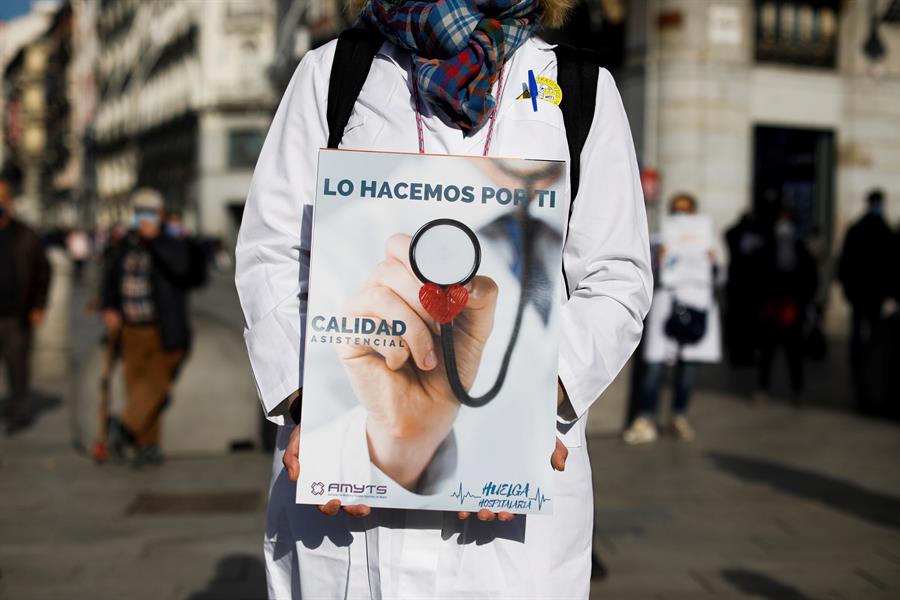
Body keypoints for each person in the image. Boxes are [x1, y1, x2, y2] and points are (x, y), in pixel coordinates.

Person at [235, 0, 653, 597]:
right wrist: (318, 410)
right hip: (346, 488)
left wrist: (519, 412)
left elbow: (617, 275)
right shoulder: (336, 74)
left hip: (515, 502)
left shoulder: (582, 90)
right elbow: (273, 251)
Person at [100, 188, 192, 466]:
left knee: (156, 385)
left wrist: (155, 242)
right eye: (139, 211)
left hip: (162, 327)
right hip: (130, 327)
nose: (144, 218)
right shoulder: (125, 245)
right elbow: (110, 278)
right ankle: (146, 445)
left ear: (161, 215)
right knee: (136, 384)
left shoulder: (171, 242)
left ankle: (125, 426)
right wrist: (110, 307)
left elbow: (182, 269)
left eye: (149, 211)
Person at [623, 193, 722, 445]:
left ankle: (679, 416)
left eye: (686, 210)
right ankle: (645, 417)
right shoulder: (658, 241)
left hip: (696, 304)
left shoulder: (709, 243)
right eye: (677, 210)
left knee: (688, 368)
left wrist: (712, 262)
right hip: (667, 305)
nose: (682, 215)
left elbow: (721, 278)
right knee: (655, 366)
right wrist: (659, 259)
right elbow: (644, 274)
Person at [0, 169, 51, 432]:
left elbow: (43, 271)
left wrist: (39, 306)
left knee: (17, 364)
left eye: (3, 198)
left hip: (16, 313)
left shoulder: (25, 235)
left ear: (10, 202)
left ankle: (18, 412)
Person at [754, 210, 818, 405]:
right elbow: (756, 277)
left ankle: (797, 389)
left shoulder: (800, 248)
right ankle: (762, 387)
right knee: (767, 352)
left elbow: (810, 277)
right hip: (770, 308)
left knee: (794, 353)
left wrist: (803, 300)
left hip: (792, 308)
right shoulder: (766, 247)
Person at [838, 189, 894, 410]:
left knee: (862, 332)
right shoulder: (881, 230)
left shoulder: (863, 229)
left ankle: (862, 367)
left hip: (865, 292)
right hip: (870, 293)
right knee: (868, 332)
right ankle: (865, 368)